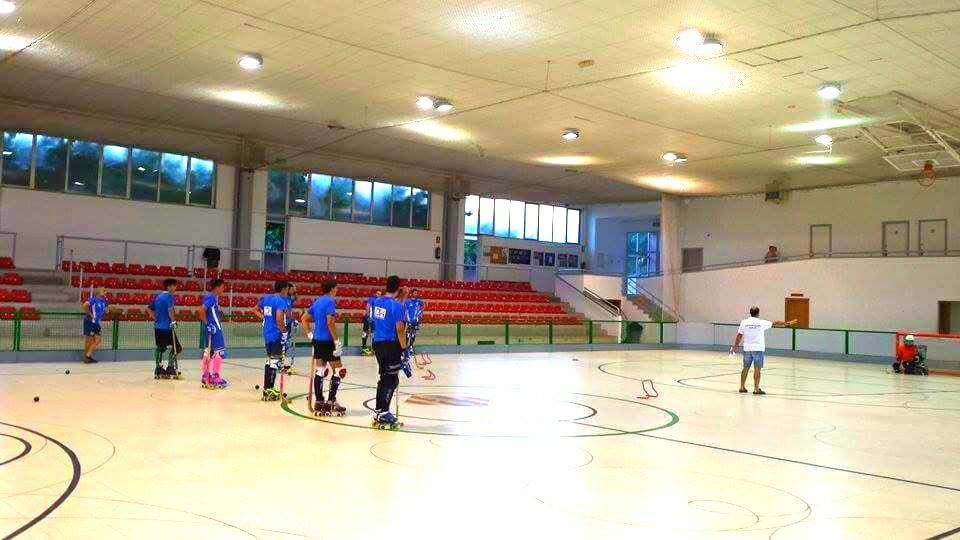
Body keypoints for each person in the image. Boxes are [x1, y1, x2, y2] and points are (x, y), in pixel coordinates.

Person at [301, 279, 345, 416]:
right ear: (332, 289)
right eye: (336, 288)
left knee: (320, 371)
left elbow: (304, 318)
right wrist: (336, 340)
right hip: (327, 341)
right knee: (338, 370)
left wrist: (309, 334)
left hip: (317, 340)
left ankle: (319, 401)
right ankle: (332, 401)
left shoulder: (318, 301)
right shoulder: (330, 301)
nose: (337, 290)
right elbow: (330, 321)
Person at [729, 306, 797, 395]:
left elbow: (739, 335)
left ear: (750, 313)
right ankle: (756, 389)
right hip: (758, 349)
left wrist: (735, 346)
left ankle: (742, 387)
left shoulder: (744, 322)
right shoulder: (761, 323)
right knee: (757, 369)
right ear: (758, 313)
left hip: (747, 348)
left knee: (745, 368)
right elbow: (775, 323)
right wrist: (787, 323)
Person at [369, 275, 408, 429]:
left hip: (378, 343)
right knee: (392, 379)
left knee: (384, 377)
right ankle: (384, 411)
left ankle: (379, 409)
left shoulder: (377, 302)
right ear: (398, 288)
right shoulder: (396, 306)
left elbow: (390, 311)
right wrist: (404, 348)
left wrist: (402, 297)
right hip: (391, 344)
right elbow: (399, 329)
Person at [255, 280, 293, 401]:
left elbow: (255, 309)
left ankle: (267, 389)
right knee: (275, 362)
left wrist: (264, 319)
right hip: (277, 334)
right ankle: (269, 390)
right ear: (283, 289)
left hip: (267, 334)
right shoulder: (281, 301)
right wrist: (284, 332)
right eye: (287, 289)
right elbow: (279, 319)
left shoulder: (266, 298)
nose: (288, 291)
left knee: (269, 360)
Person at [148, 278, 182, 379]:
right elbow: (170, 310)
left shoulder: (158, 296)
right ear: (169, 286)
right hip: (167, 327)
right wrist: (174, 321)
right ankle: (170, 367)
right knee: (177, 348)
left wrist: (156, 318)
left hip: (158, 327)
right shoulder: (169, 297)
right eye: (174, 286)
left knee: (161, 348)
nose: (175, 288)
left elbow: (149, 309)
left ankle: (158, 369)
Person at [198, 278, 228, 389]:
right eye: (222, 286)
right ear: (217, 287)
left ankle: (206, 375)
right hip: (214, 329)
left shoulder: (213, 298)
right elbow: (201, 310)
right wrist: (207, 324)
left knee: (208, 352)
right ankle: (215, 377)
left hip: (212, 328)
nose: (223, 288)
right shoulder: (211, 298)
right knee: (219, 352)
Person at [81, 286, 110, 364]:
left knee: (98, 340)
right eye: (103, 290)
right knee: (89, 340)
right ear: (98, 292)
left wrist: (109, 309)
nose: (105, 292)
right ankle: (86, 357)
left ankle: (87, 355)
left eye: (105, 291)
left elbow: (107, 310)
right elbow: (84, 306)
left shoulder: (104, 301)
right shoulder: (93, 299)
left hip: (96, 323)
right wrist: (90, 314)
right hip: (89, 321)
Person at [360, 290, 382, 356]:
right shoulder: (371, 299)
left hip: (374, 320)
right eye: (378, 293)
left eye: (380, 294)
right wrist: (367, 316)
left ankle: (373, 348)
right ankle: (364, 347)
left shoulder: (380, 301)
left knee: (373, 333)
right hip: (368, 319)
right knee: (365, 332)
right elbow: (367, 307)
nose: (379, 295)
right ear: (375, 294)